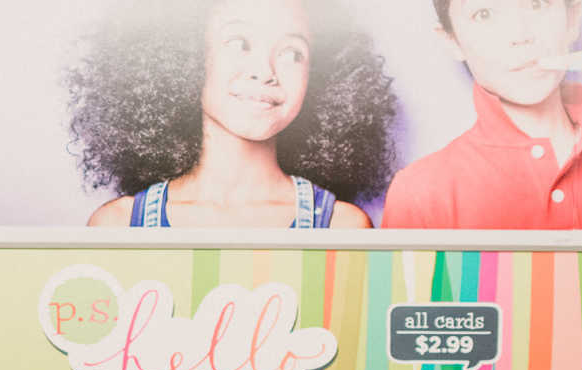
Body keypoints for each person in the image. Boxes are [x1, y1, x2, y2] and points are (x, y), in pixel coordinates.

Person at [71, 0, 397, 229]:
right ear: (183, 56)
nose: (264, 71)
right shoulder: (120, 226)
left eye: (292, 53)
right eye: (239, 43)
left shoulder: (341, 228)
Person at [382, 0, 582, 230]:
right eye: (484, 14)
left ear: (572, 19)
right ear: (452, 41)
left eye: (537, 3)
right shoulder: (420, 193)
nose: (520, 36)